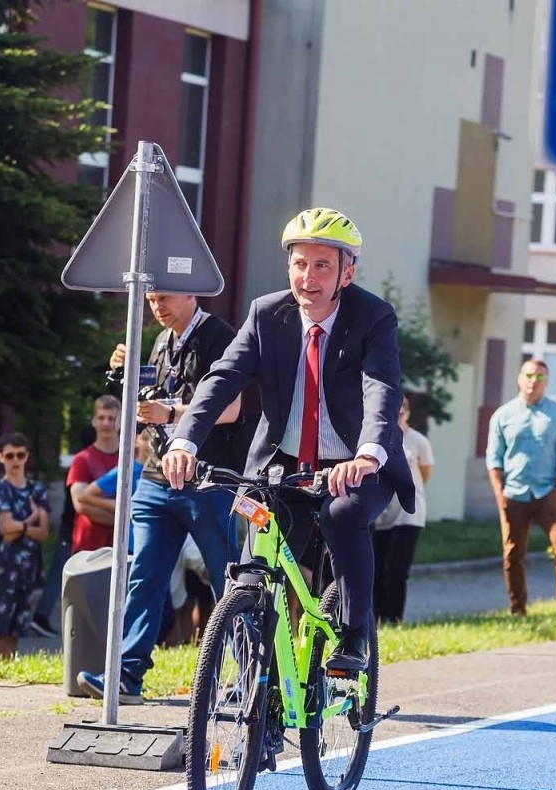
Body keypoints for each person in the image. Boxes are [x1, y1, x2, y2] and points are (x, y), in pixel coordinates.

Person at [163, 207, 416, 676]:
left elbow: (381, 387)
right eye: (300, 263)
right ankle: (260, 693)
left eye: (323, 265)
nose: (308, 277)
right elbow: (221, 379)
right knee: (258, 566)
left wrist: (366, 454)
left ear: (347, 272)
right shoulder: (266, 313)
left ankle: (354, 631)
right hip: (283, 465)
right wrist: (184, 442)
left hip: (356, 465)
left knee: (342, 515)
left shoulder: (372, 317)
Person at [76, 289, 252, 700]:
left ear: (191, 293)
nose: (157, 307)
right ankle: (126, 674)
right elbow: (149, 402)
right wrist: (126, 374)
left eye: (164, 298)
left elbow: (232, 407)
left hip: (206, 478)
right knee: (144, 576)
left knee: (227, 581)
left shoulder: (218, 336)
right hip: (157, 477)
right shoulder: (160, 341)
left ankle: (250, 678)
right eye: (152, 300)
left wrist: (171, 413)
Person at [484, 359, 556, 616]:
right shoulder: (503, 415)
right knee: (513, 553)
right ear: (519, 378)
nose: (532, 382)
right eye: (528, 376)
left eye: (539, 378)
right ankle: (518, 608)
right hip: (514, 493)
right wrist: (498, 492)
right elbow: (494, 458)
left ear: (546, 382)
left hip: (548, 492)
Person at [0, 433, 50, 659]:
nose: (15, 460)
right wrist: (32, 517)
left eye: (20, 455)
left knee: (16, 627)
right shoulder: (2, 488)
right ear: (1, 457)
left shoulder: (36, 489)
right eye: (10, 455)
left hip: (29, 566)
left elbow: (43, 533)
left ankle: (7, 669)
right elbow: (5, 530)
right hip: (5, 565)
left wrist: (19, 526)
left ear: (26, 456)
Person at [371, 398, 435, 626]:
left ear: (407, 414)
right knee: (377, 568)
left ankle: (395, 617)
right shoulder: (377, 439)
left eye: (401, 413)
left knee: (397, 568)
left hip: (409, 513)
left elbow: (425, 473)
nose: (397, 417)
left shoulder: (418, 441)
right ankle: (377, 617)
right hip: (382, 511)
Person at [67, 395, 122, 554]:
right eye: (101, 418)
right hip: (88, 548)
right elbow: (81, 504)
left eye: (111, 418)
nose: (106, 423)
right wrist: (126, 521)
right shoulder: (82, 459)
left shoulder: (133, 459)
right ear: (93, 421)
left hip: (125, 550)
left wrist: (96, 501)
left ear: (121, 421)